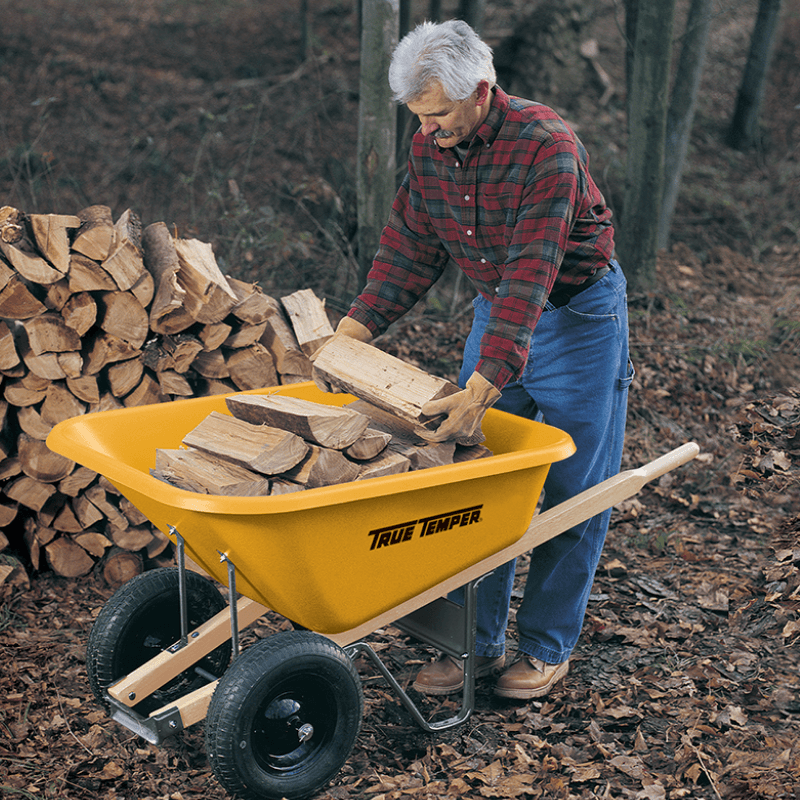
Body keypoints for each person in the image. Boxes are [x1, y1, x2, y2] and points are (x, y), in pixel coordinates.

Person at [331, 19, 633, 699]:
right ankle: (471, 644)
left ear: (481, 92)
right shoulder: (432, 144)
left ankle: (546, 646)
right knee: (474, 479)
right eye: (418, 115)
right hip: (499, 310)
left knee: (570, 487)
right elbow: (411, 242)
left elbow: (534, 269)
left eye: (439, 113)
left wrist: (486, 380)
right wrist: (354, 328)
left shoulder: (546, 146)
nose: (430, 128)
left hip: (578, 318)